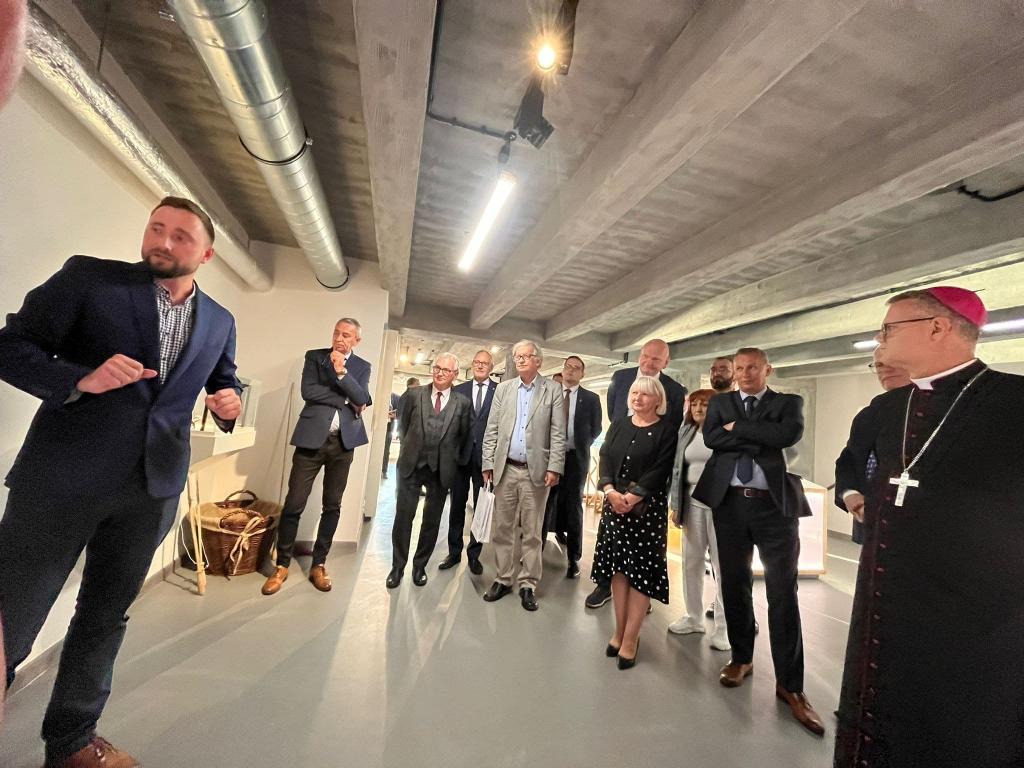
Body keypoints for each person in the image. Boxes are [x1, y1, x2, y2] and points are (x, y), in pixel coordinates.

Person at [0, 196, 242, 767]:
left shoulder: (221, 321)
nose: (163, 241)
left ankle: (72, 742)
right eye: (156, 228)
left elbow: (223, 382)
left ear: (206, 254)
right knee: (11, 615)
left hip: (151, 491)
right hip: (61, 480)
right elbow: (10, 347)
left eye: (180, 235)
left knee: (105, 616)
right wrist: (82, 378)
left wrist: (229, 402)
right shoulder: (90, 279)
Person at [834, 287, 1024, 768]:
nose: (879, 339)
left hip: (976, 618)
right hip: (885, 600)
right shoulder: (889, 408)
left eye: (888, 328)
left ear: (937, 327)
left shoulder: (1014, 402)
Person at [692, 347, 824, 736]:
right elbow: (713, 439)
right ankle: (741, 658)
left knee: (783, 592)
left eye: (753, 367)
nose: (745, 373)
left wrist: (738, 430)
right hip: (729, 505)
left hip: (774, 509)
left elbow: (788, 434)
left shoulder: (788, 403)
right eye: (740, 368)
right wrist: (757, 434)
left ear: (767, 370)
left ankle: (790, 685)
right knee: (733, 584)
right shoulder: (721, 404)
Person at [261, 318, 372, 596]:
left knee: (332, 505)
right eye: (337, 333)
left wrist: (342, 373)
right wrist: (347, 399)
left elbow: (364, 397)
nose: (340, 338)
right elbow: (308, 391)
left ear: (356, 340)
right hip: (311, 439)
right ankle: (282, 565)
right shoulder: (315, 357)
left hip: (343, 444)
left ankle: (319, 564)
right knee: (294, 503)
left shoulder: (362, 366)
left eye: (346, 335)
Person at [587, 338, 687, 609]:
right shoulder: (620, 378)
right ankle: (605, 585)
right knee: (611, 542)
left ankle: (640, 594)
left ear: (666, 362)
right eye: (645, 356)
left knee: (642, 549)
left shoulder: (675, 390)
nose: (649, 362)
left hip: (648, 484)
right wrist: (610, 489)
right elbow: (614, 418)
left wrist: (636, 494)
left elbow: (669, 439)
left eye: (656, 359)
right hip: (617, 476)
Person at [592, 376, 676, 669]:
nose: (637, 398)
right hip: (614, 505)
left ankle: (631, 637)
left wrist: (632, 496)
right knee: (618, 570)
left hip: (646, 512)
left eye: (645, 394)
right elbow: (605, 457)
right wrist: (610, 490)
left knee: (640, 574)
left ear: (658, 400)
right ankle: (618, 631)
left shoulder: (667, 430)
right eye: (634, 393)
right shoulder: (619, 424)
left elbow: (661, 469)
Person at [481, 339, 565, 611]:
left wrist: (554, 467)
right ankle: (503, 578)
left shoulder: (552, 390)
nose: (519, 360)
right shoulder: (504, 389)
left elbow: (558, 433)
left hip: (536, 473)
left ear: (538, 361)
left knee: (532, 532)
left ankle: (528, 583)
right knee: (502, 529)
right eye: (517, 356)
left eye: (525, 356)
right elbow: (492, 429)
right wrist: (487, 463)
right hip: (505, 469)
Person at [386, 354, 471, 588]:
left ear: (455, 375)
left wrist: (454, 462)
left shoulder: (462, 403)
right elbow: (403, 426)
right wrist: (410, 449)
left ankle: (420, 566)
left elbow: (464, 436)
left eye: (446, 370)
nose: (440, 373)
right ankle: (397, 567)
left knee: (431, 522)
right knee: (403, 518)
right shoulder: (414, 395)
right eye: (437, 368)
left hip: (441, 471)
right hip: (411, 466)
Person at [667, 389, 729, 651]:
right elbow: (677, 469)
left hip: (721, 504)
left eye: (704, 404)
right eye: (694, 404)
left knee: (723, 566)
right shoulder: (686, 432)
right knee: (691, 561)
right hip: (691, 501)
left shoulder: (726, 432)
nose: (699, 409)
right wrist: (675, 505)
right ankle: (693, 617)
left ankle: (724, 628)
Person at [833, 349, 911, 544]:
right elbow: (849, 458)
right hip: (870, 519)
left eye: (893, 362)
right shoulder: (870, 413)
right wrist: (850, 493)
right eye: (879, 365)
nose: (884, 370)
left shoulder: (939, 410)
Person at [542, 355, 602, 578]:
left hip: (576, 459)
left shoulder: (591, 399)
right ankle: (535, 550)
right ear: (563, 369)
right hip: (549, 457)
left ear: (582, 374)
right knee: (544, 503)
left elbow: (596, 428)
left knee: (574, 506)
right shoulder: (548, 393)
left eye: (577, 368)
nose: (571, 371)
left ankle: (573, 558)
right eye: (568, 367)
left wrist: (579, 444)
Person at [440, 350, 497, 575]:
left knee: (481, 508)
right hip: (460, 458)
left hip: (485, 460)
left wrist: (492, 460)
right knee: (456, 506)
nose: (480, 366)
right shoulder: (459, 390)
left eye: (485, 363)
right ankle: (454, 553)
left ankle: (474, 555)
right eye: (477, 362)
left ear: (491, 367)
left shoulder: (499, 391)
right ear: (472, 365)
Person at [381, 391, 400, 479]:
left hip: (388, 429)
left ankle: (384, 471)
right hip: (378, 428)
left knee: (386, 450)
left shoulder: (396, 397)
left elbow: (400, 412)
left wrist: (393, 414)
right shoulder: (380, 395)